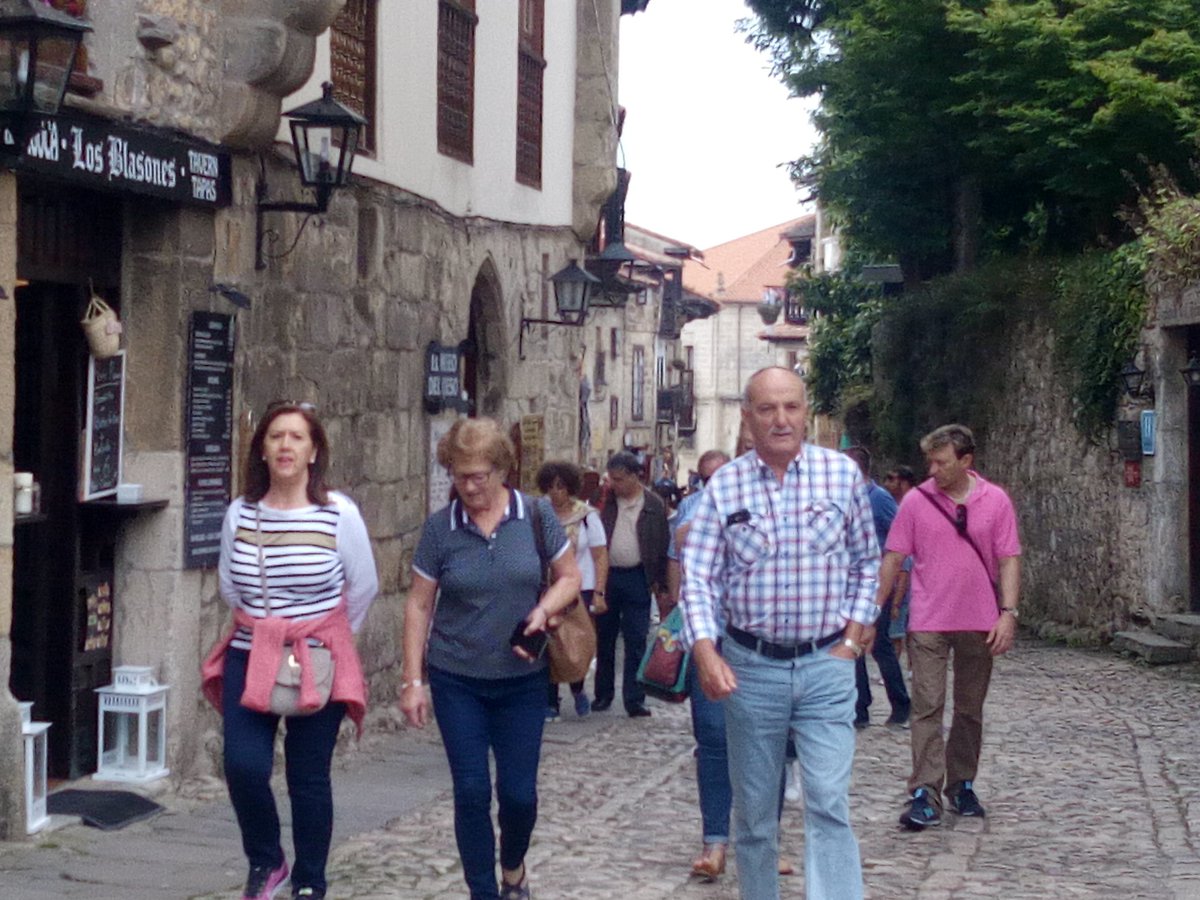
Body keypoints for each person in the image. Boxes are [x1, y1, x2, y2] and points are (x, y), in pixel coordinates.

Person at [681, 367, 880, 900]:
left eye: (791, 406)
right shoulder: (724, 486)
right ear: (747, 417)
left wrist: (852, 640)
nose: (781, 419)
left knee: (828, 801)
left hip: (826, 665)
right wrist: (704, 648)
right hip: (751, 668)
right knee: (753, 813)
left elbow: (868, 563)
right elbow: (698, 577)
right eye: (767, 409)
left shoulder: (840, 477)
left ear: (806, 411)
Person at [202, 401, 379, 900]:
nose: (285, 446)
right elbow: (229, 586)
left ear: (313, 451)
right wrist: (268, 628)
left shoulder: (337, 513)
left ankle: (310, 880)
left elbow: (362, 588)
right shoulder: (241, 513)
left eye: (296, 437)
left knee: (308, 774)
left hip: (317, 657)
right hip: (251, 651)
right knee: (243, 764)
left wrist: (326, 641)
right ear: (262, 449)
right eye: (276, 436)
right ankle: (267, 859)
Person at [399, 418, 582, 900]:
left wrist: (542, 610)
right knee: (472, 790)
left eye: (481, 474)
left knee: (518, 795)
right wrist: (412, 680)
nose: (471, 485)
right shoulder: (442, 529)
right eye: (461, 476)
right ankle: (483, 891)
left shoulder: (536, 515)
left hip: (522, 679)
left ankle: (514, 867)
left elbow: (569, 577)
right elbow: (419, 604)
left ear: (503, 468)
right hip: (457, 676)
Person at [875, 424, 1021, 831]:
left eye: (941, 462)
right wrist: (875, 609)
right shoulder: (917, 502)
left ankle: (962, 783)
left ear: (965, 461)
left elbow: (1009, 557)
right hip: (929, 621)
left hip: (980, 619)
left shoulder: (996, 501)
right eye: (930, 462)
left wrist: (1008, 612)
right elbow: (893, 556)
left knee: (970, 709)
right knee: (927, 705)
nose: (933, 469)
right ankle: (925, 791)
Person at [594, 451, 670, 717]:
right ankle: (603, 694)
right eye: (612, 479)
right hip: (607, 576)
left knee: (636, 638)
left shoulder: (653, 504)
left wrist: (660, 584)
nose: (616, 484)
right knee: (604, 637)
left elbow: (662, 543)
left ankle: (634, 698)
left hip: (638, 576)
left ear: (636, 476)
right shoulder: (605, 502)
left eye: (621, 479)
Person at [842, 446, 911, 729]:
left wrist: (897, 584)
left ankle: (901, 703)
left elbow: (902, 540)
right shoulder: (844, 499)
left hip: (877, 584)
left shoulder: (879, 500)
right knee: (852, 643)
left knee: (880, 645)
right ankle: (860, 708)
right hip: (849, 584)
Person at [536, 460, 608, 721]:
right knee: (549, 643)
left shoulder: (587, 516)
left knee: (575, 641)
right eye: (550, 487)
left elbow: (600, 555)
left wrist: (599, 592)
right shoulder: (539, 514)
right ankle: (550, 700)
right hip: (548, 588)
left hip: (581, 588)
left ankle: (577, 687)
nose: (555, 492)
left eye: (560, 487)